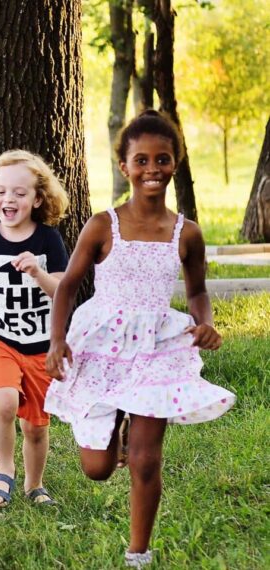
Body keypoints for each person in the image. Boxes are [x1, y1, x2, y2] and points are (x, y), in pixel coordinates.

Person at [44, 110, 235, 568]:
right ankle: (117, 427)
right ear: (125, 166)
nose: (153, 169)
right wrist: (56, 341)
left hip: (158, 347)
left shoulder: (185, 233)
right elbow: (68, 285)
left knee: (147, 460)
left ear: (176, 163)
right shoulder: (102, 225)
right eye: (142, 160)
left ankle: (138, 553)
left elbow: (197, 290)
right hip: (102, 343)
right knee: (98, 469)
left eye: (163, 159)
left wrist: (203, 321)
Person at [0, 150, 70, 508]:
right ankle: (4, 472)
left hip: (40, 345)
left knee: (36, 426)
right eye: (1, 191)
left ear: (38, 198)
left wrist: (37, 272)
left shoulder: (48, 240)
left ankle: (35, 485)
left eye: (20, 193)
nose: (9, 199)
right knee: (3, 400)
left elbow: (63, 290)